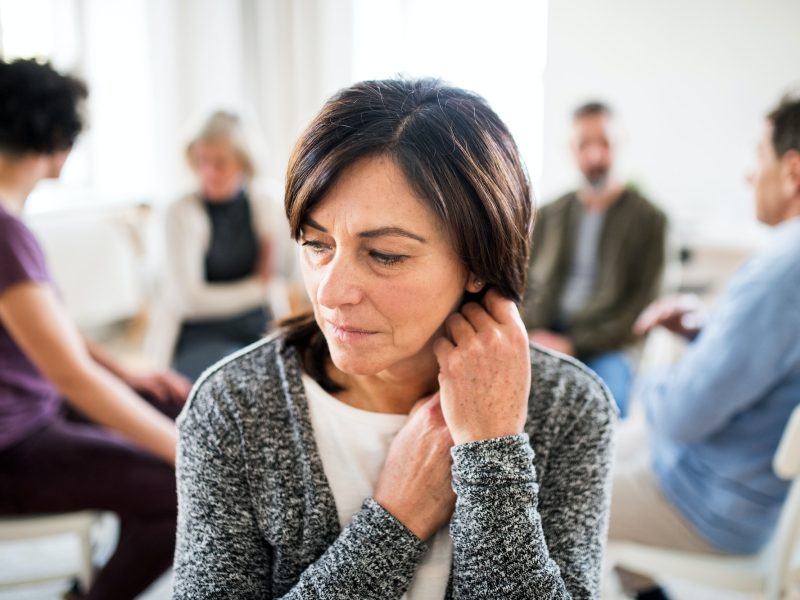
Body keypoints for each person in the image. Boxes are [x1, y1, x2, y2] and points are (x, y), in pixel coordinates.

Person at [173, 78, 616, 599]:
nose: (331, 292)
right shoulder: (234, 406)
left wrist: (491, 453)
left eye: (385, 255)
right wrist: (396, 519)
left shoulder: (570, 406)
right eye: (317, 244)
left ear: (479, 261)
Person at [0, 59, 190, 600]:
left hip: (34, 410)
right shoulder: (4, 231)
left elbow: (52, 334)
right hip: (13, 445)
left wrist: (128, 371)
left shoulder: (9, 223)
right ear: (58, 138)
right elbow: (71, 376)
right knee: (186, 487)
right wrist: (180, 453)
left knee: (181, 409)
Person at [608, 92, 800, 599]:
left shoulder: (781, 273)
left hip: (711, 503)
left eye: (758, 158)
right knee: (603, 447)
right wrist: (707, 333)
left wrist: (656, 362)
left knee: (556, 490)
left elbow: (677, 419)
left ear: (793, 171)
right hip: (744, 487)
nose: (748, 175)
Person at [521, 101, 667, 416]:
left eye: (604, 143)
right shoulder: (549, 215)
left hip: (608, 347)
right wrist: (531, 334)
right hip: (544, 333)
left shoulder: (650, 220)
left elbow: (641, 309)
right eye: (583, 144)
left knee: (603, 409)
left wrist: (573, 344)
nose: (595, 156)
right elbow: (525, 285)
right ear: (570, 149)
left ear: (621, 142)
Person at [159, 111, 277, 381]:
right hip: (201, 332)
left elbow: (286, 277)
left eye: (220, 163)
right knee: (233, 381)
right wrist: (259, 288)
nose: (208, 172)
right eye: (201, 161)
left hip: (258, 325)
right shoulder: (179, 212)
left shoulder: (267, 205)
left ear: (243, 163)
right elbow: (190, 300)